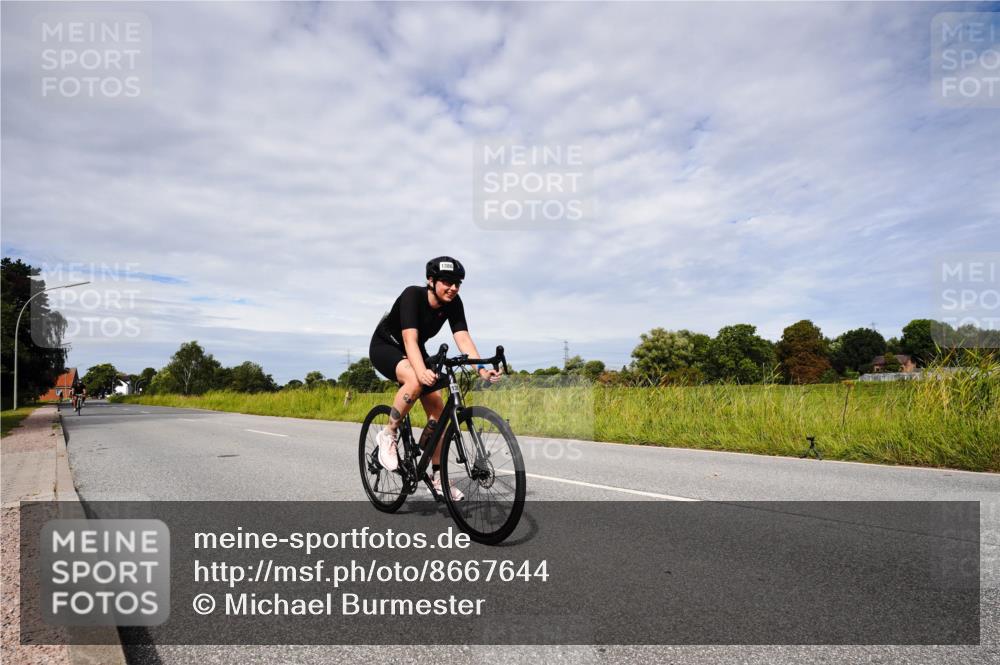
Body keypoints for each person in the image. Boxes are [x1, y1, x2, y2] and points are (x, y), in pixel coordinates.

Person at [369, 257, 502, 501]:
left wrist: (482, 369)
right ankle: (388, 433)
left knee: (439, 414)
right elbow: (409, 339)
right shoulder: (412, 295)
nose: (453, 288)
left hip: (414, 349)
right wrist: (421, 371)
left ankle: (438, 476)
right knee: (416, 379)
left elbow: (463, 339)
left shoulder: (454, 303)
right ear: (431, 280)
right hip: (387, 345)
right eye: (447, 282)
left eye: (458, 283)